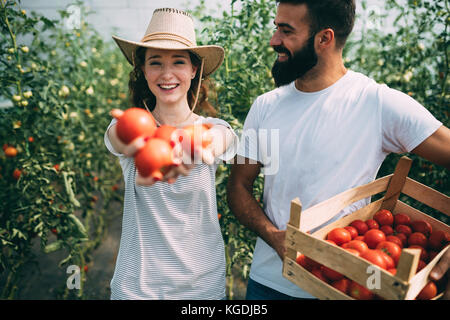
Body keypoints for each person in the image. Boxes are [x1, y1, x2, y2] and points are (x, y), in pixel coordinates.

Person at [227, 0, 450, 300]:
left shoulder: (376, 103)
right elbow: (238, 186)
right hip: (267, 285)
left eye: (286, 30)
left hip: (343, 288)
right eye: (275, 28)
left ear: (324, 38)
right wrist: (273, 235)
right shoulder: (266, 106)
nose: (273, 40)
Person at [104, 8, 237, 300]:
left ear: (194, 70)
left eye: (178, 61)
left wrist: (193, 147)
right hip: (137, 287)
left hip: (201, 287)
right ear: (143, 70)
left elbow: (218, 141)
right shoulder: (127, 125)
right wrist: (146, 144)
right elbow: (121, 138)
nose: (166, 74)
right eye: (155, 63)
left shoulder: (215, 128)